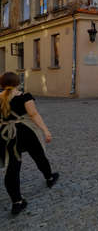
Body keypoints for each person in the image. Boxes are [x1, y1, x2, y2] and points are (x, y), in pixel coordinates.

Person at [0, 72, 59, 216]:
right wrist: (46, 131)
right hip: (24, 132)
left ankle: (17, 202)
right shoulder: (25, 96)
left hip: (6, 134)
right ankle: (49, 177)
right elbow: (34, 115)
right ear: (17, 82)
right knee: (38, 155)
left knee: (12, 167)